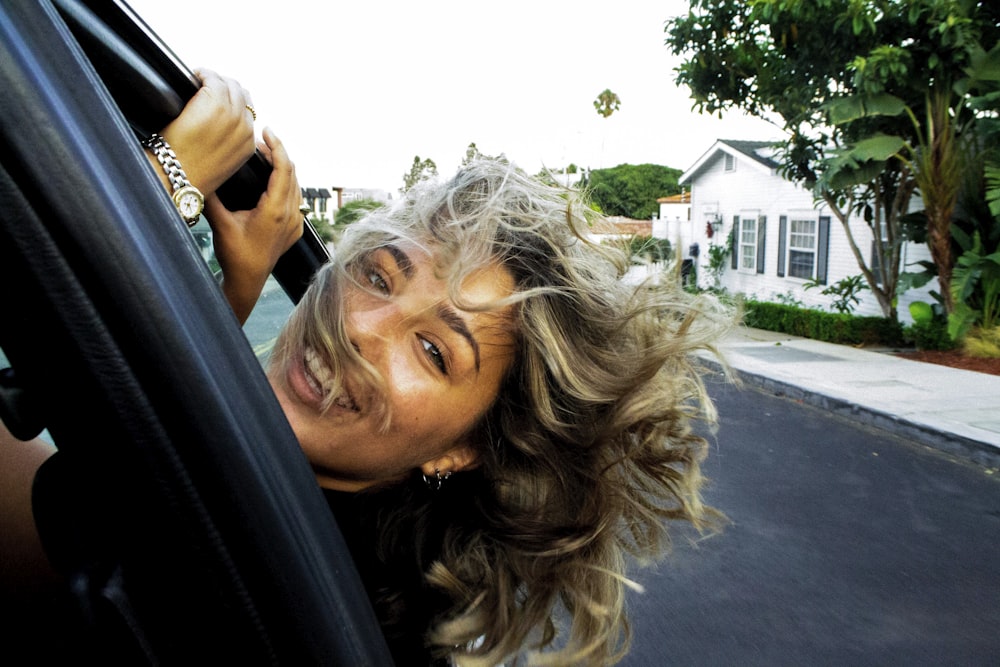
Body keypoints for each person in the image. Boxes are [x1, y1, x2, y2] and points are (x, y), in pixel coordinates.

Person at [2, 73, 733, 666]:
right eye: (379, 277)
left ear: (464, 448)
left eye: (434, 350)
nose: (357, 326)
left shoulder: (252, 565)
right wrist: (226, 292)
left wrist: (152, 186)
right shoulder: (324, 543)